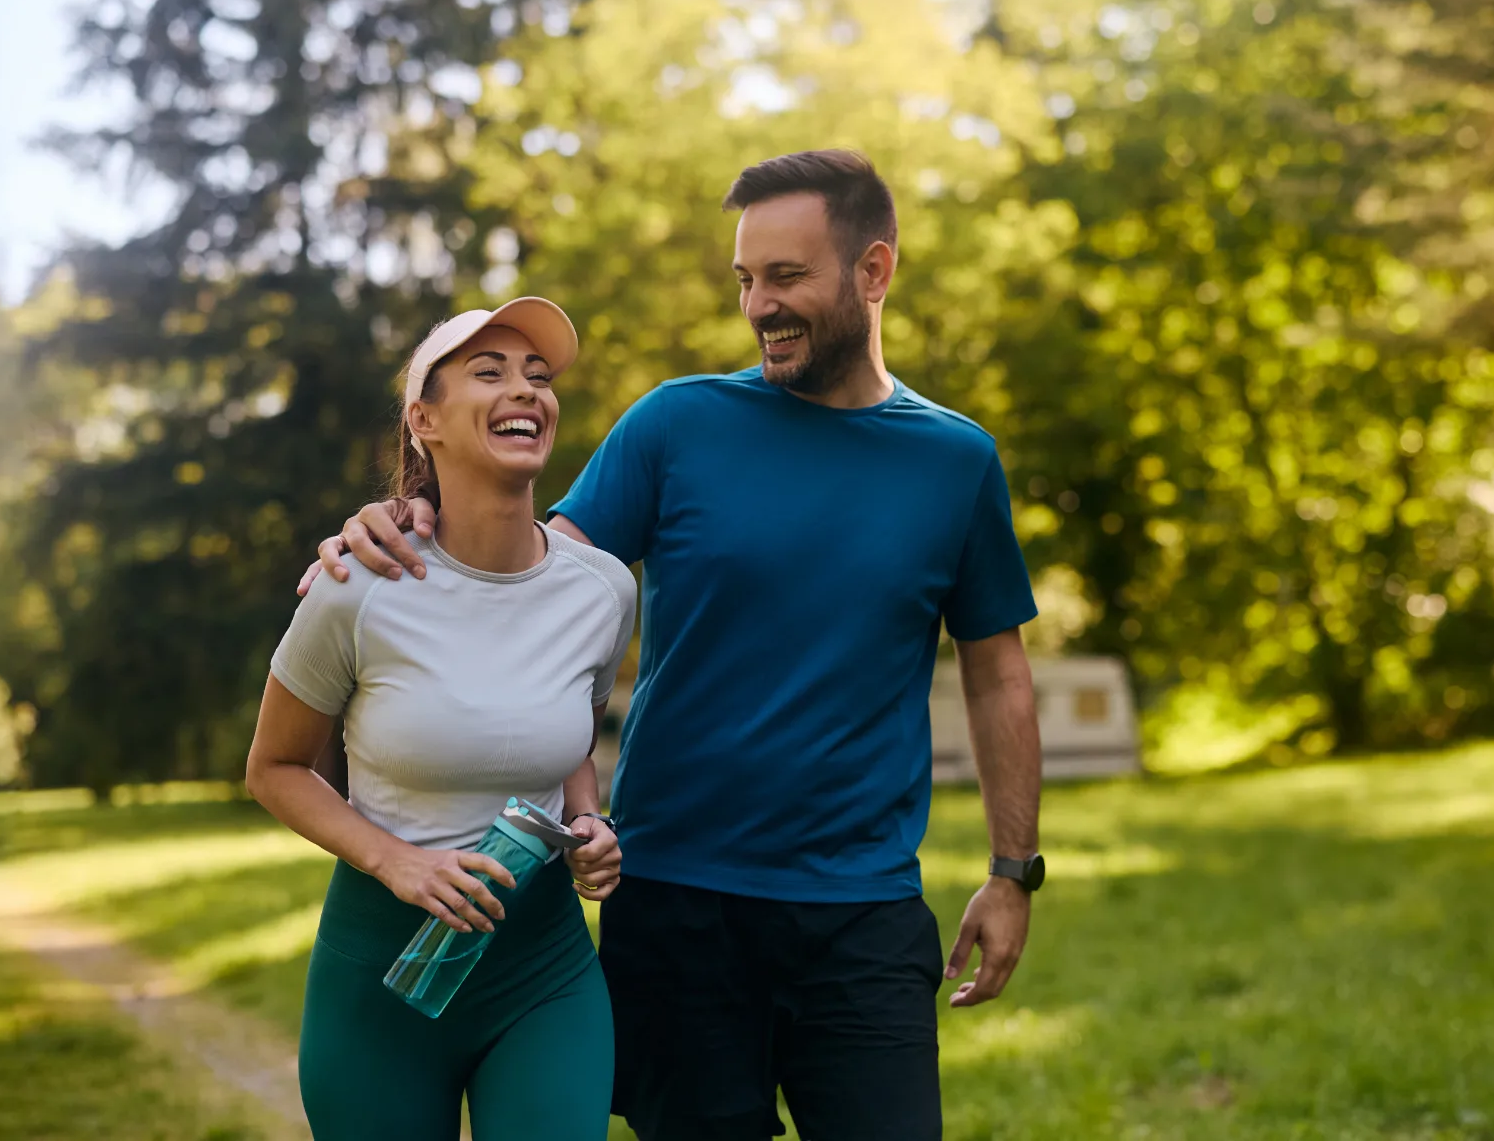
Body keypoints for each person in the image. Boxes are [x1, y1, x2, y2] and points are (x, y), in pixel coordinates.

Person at [304, 150, 1047, 1140]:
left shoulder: (955, 462)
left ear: (873, 272)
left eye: (786, 277)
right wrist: (401, 518)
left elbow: (997, 674)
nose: (759, 305)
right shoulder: (676, 424)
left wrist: (1011, 870)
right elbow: (521, 582)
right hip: (676, 910)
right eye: (746, 279)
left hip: (862, 915)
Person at [244, 295, 635, 1141]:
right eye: (489, 373)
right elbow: (273, 769)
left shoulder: (604, 590)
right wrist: (399, 865)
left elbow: (567, 733)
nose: (525, 390)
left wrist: (588, 820)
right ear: (426, 419)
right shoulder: (358, 586)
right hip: (380, 970)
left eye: (538, 376)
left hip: (542, 971)